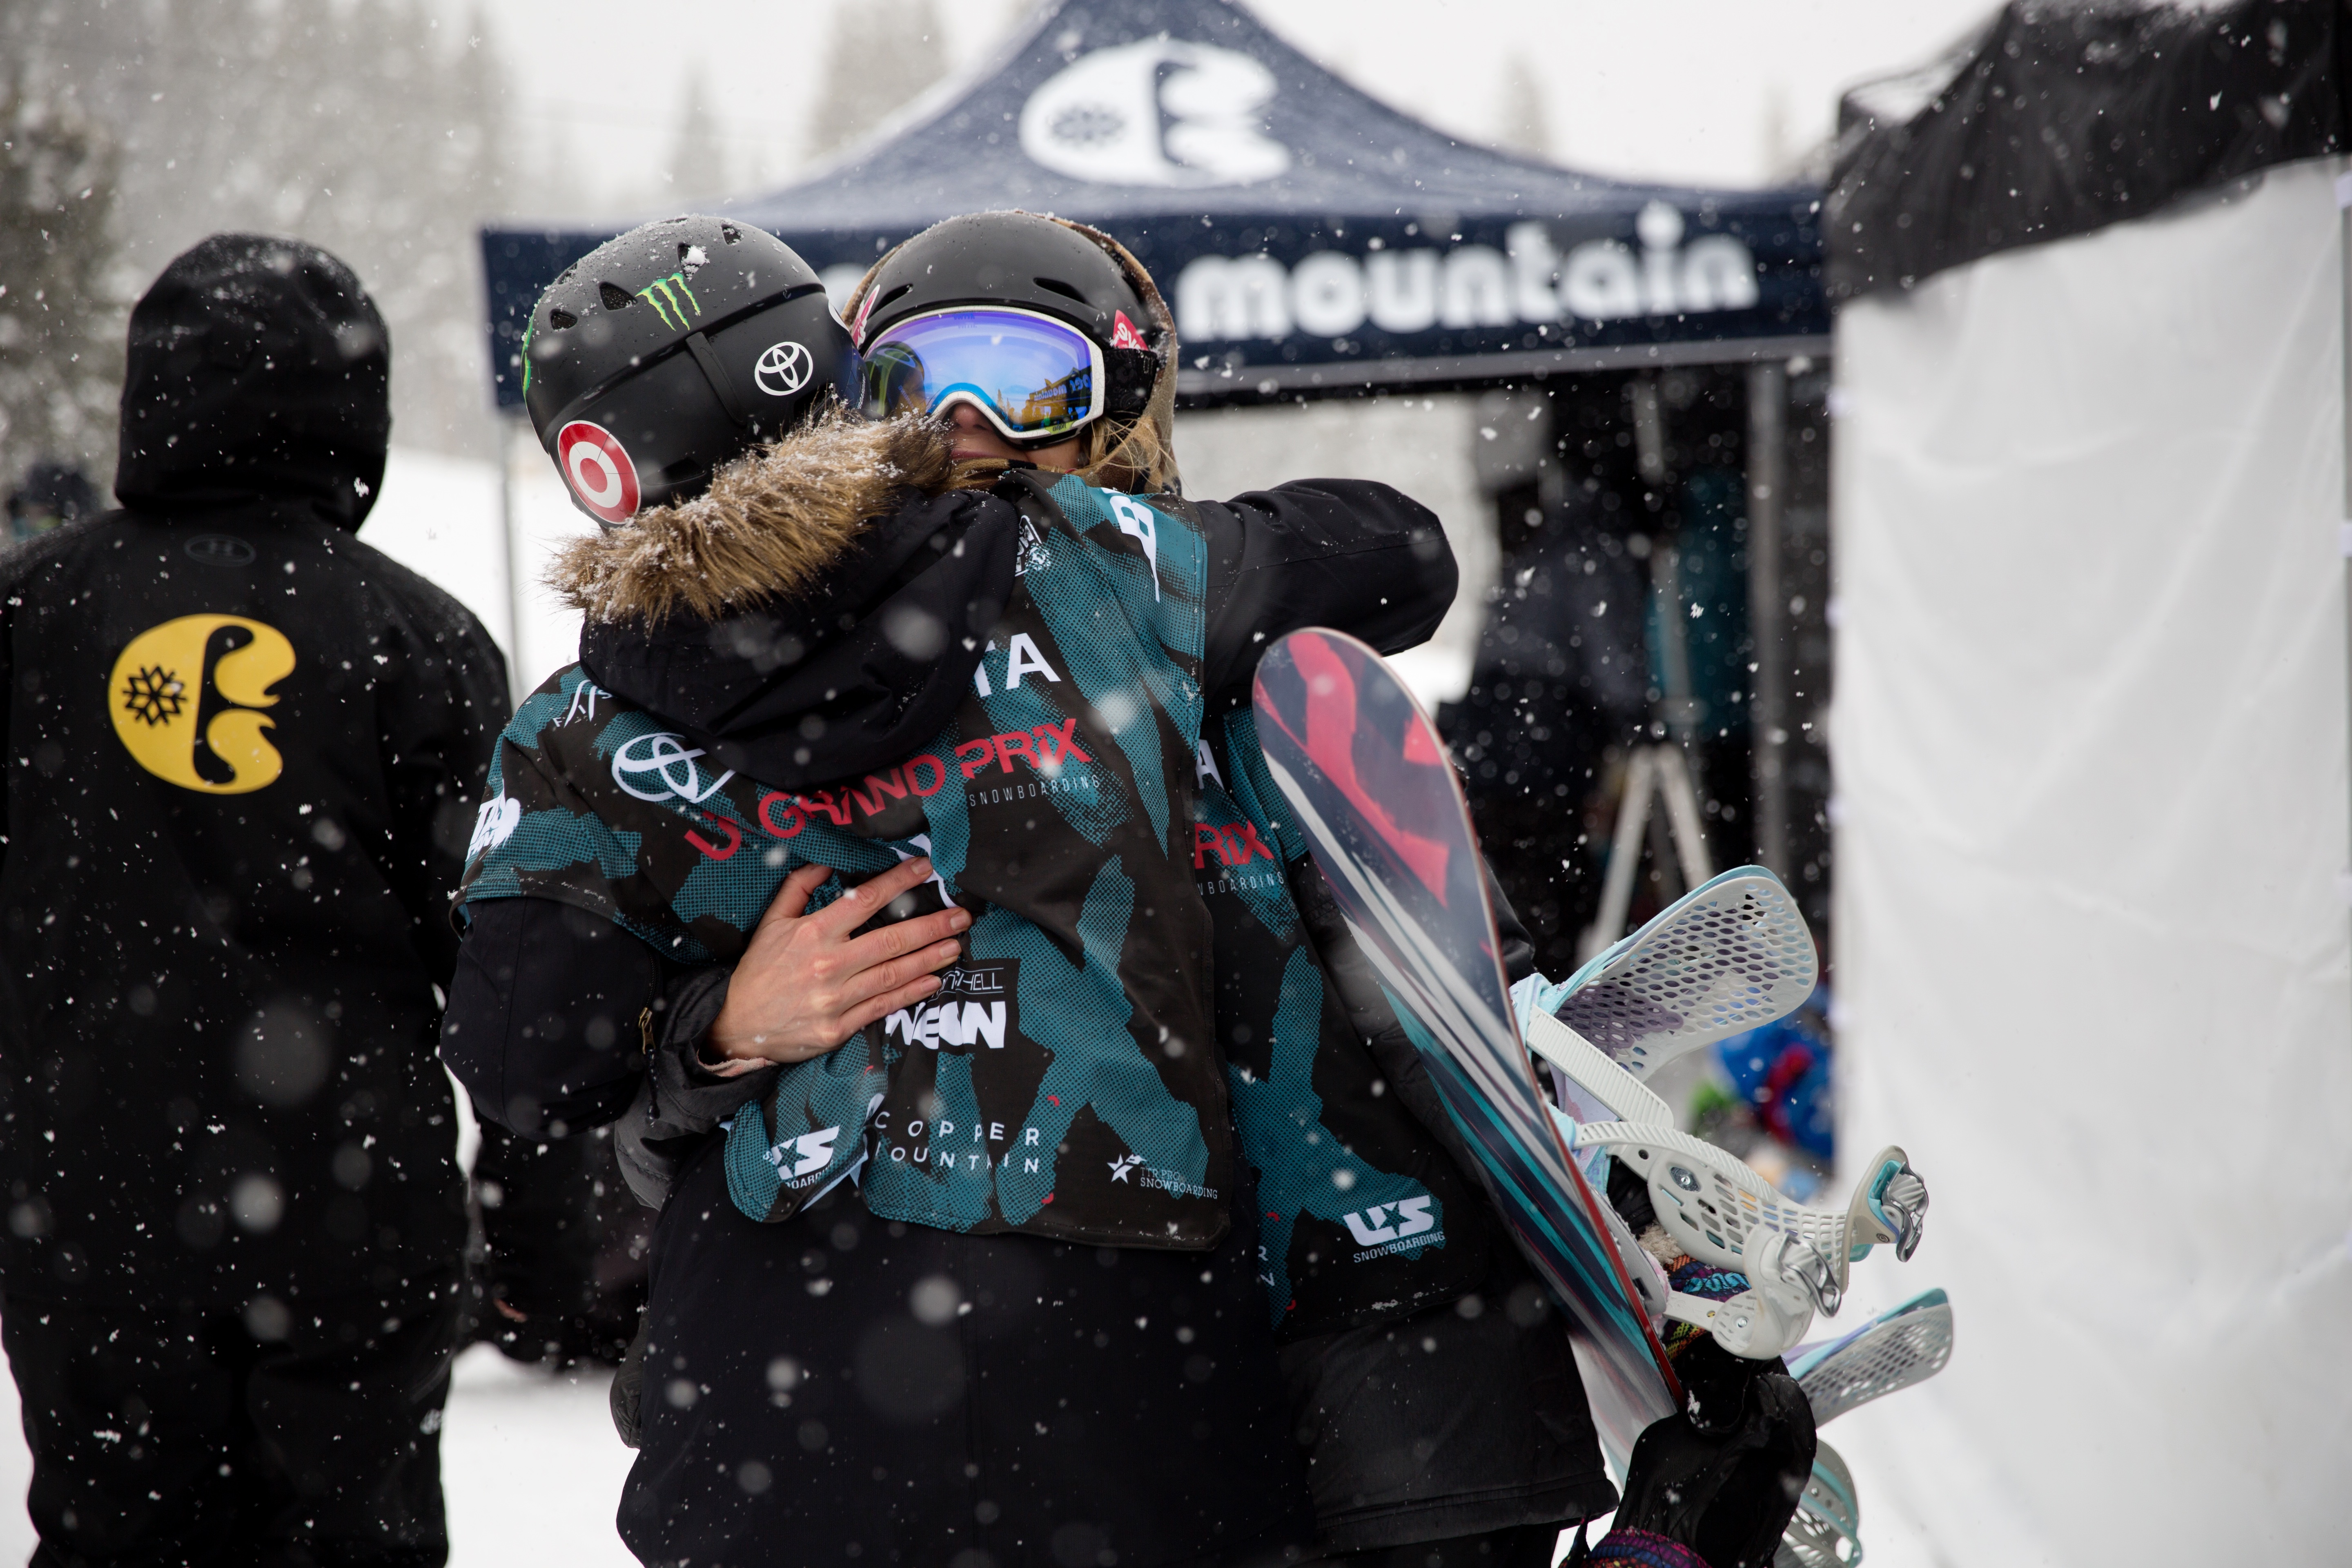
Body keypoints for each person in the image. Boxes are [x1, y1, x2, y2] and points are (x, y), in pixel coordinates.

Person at [440, 210, 1458, 1568]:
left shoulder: (585, 717)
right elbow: (1401, 553)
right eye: (931, 379)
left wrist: (718, 1028)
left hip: (767, 1389)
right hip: (1122, 1365)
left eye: (1020, 381)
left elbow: (520, 1059)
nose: (972, 427)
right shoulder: (1101, 565)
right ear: (832, 376)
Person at [0, 235, 508, 1564]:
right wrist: (554, 1250)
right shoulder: (419, 638)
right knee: (356, 1538)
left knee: (113, 1534)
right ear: (358, 410)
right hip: (350, 1202)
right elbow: (508, 965)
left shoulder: (28, 614)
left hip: (82, 1197)